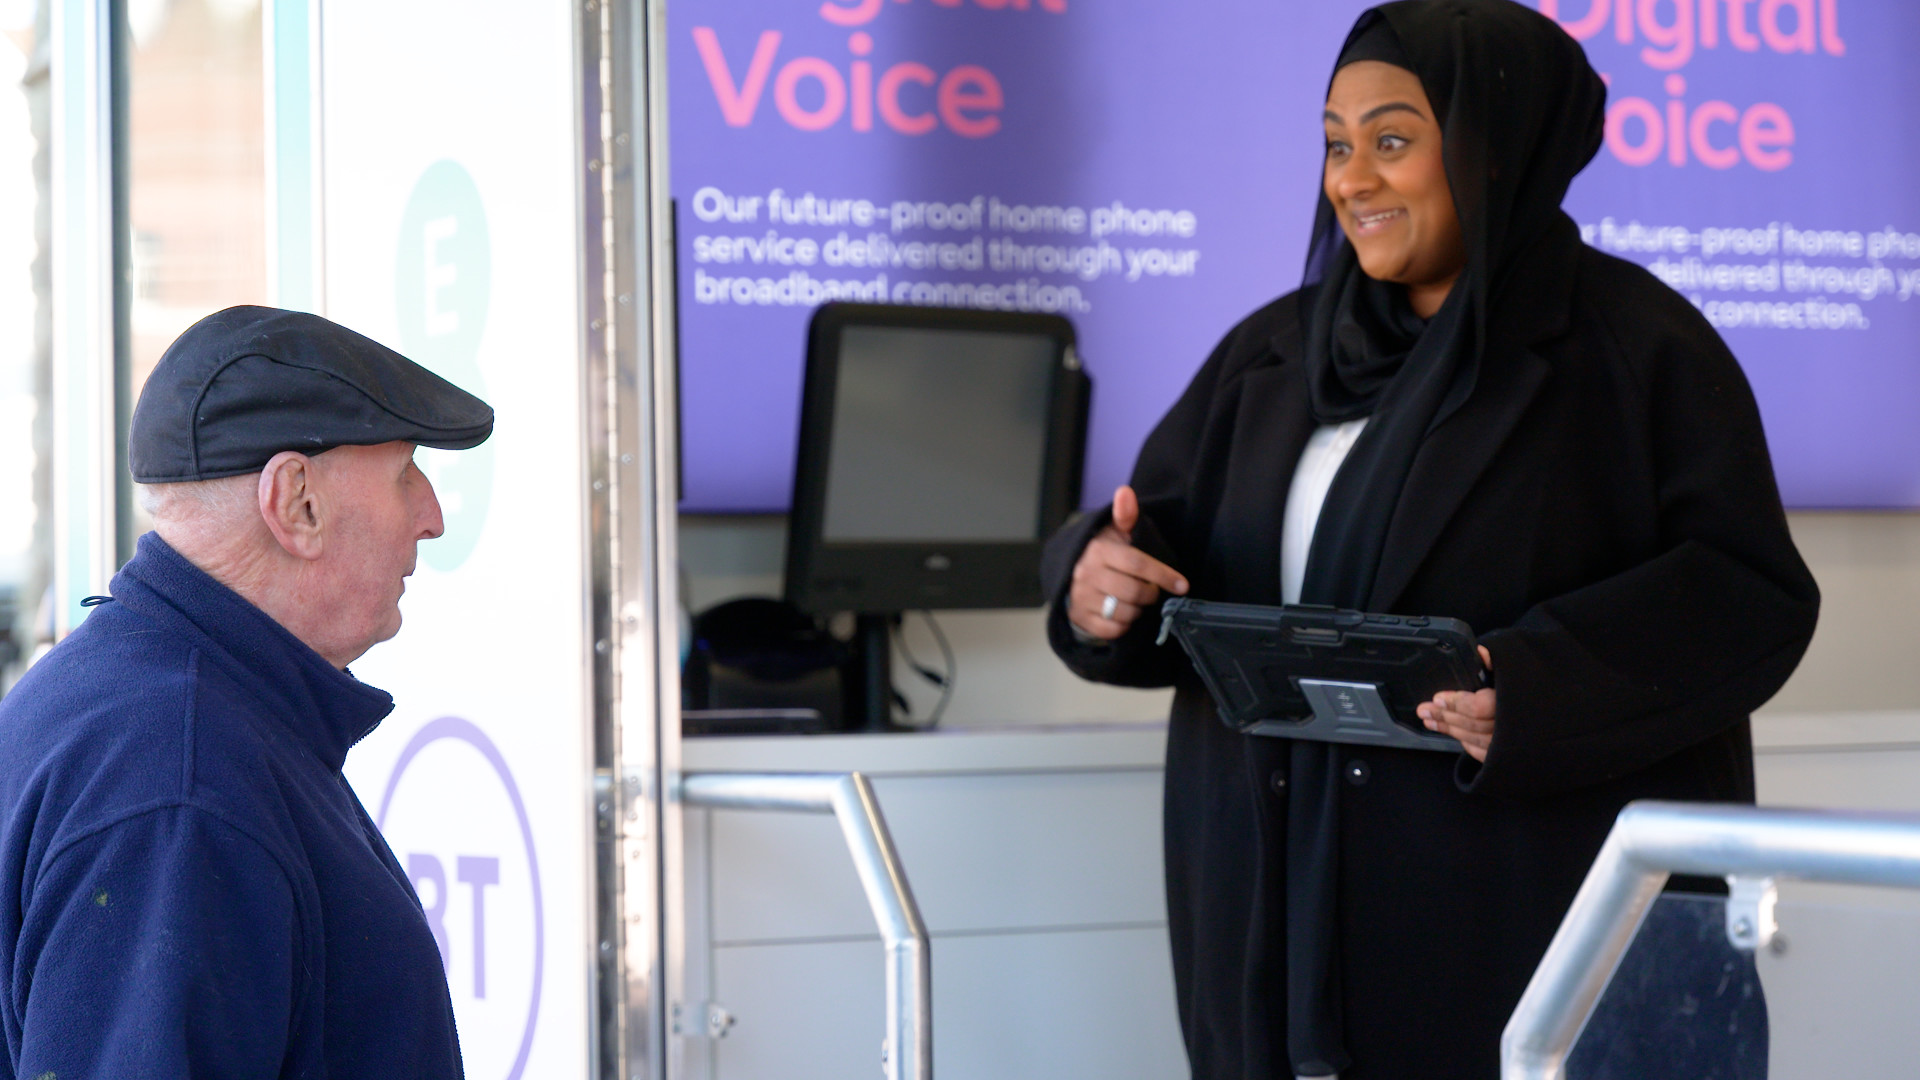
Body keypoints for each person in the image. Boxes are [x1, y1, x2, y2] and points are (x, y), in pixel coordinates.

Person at [1041, 3, 1819, 1078]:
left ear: (1497, 149)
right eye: (1335, 143)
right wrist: (1095, 584)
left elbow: (1747, 600)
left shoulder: (1637, 351)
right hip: (1270, 935)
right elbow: (1154, 557)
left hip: (1520, 932)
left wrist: (1539, 685)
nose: (1352, 178)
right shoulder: (1267, 355)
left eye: (1393, 140)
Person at [0, 306, 494, 1078]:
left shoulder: (134, 702)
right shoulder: (182, 788)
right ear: (296, 501)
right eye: (404, 474)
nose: (430, 516)